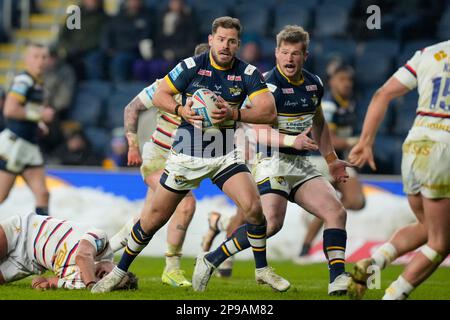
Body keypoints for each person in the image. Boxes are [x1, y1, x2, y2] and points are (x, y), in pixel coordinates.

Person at [92, 16, 289, 293]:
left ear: (238, 45)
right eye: (221, 39)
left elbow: (268, 111)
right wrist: (180, 109)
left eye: (231, 41)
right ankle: (119, 271)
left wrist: (234, 113)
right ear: (211, 40)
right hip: (186, 155)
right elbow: (161, 94)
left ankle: (261, 269)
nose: (225, 45)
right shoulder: (190, 66)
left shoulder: (247, 73)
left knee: (254, 209)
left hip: (224, 155)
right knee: (151, 221)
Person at [197, 25, 353, 296]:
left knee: (336, 211)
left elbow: (318, 121)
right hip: (271, 161)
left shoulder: (314, 83)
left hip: (301, 164)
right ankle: (213, 258)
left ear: (305, 55)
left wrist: (331, 159)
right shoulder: (267, 86)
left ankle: (337, 278)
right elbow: (258, 130)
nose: (289, 59)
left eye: (295, 53)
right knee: (269, 224)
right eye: (284, 53)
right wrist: (293, 141)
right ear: (276, 54)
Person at [347, 40, 450, 300]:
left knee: (427, 226)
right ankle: (393, 296)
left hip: (415, 144)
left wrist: (365, 141)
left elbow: (382, 94)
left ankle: (375, 262)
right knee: (441, 241)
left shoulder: (428, 54)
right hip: (444, 147)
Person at [112, 43, 209, 288]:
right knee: (185, 203)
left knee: (148, 219)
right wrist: (132, 144)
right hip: (157, 158)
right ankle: (172, 268)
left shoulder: (218, 93)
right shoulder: (169, 84)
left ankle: (103, 249)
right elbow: (131, 107)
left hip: (183, 162)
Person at [296, 63, 365, 262]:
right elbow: (328, 138)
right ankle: (306, 246)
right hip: (321, 159)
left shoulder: (350, 103)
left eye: (349, 80)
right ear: (332, 81)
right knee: (334, 205)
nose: (347, 84)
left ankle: (317, 214)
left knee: (356, 201)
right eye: (342, 79)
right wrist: (355, 142)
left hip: (339, 159)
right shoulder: (327, 104)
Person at [0, 211, 138, 290]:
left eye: (111, 282)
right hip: (23, 231)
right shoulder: (101, 241)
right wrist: (91, 285)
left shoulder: (78, 284)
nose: (106, 277)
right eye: (113, 275)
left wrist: (40, 285)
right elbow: (82, 256)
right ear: (115, 264)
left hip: (26, 264)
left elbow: (41, 281)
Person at [0, 43, 55, 216]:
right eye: (36, 56)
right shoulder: (23, 80)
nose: (40, 61)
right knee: (1, 195)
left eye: (44, 57)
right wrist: (40, 114)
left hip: (29, 146)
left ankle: (41, 238)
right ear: (26, 60)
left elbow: (25, 111)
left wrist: (38, 124)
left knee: (43, 194)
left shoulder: (38, 83)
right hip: (15, 146)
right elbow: (10, 109)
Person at [101, 0, 153, 82]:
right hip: (116, 51)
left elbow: (145, 38)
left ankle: (120, 89)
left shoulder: (146, 17)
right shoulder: (118, 17)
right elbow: (107, 34)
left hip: (135, 52)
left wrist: (125, 48)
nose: (134, 3)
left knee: (120, 60)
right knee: (96, 59)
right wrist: (108, 49)